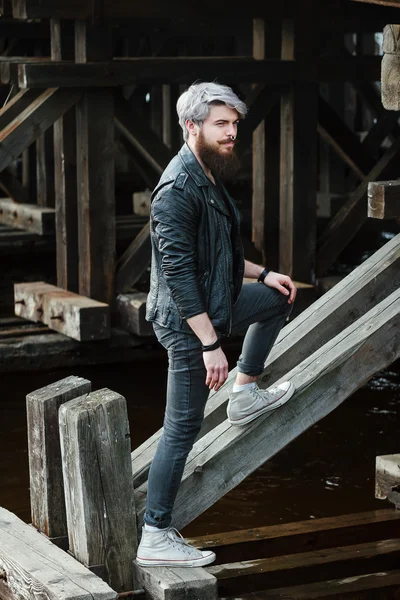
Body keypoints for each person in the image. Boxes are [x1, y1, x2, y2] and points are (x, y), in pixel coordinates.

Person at [136, 81, 297, 568]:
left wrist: (264, 273)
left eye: (234, 124)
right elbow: (181, 277)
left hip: (217, 299)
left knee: (276, 298)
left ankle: (244, 394)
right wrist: (210, 344)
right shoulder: (175, 191)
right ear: (192, 127)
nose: (232, 133)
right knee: (181, 427)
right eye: (221, 124)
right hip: (188, 323)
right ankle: (155, 533)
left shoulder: (206, 171)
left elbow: (221, 253)